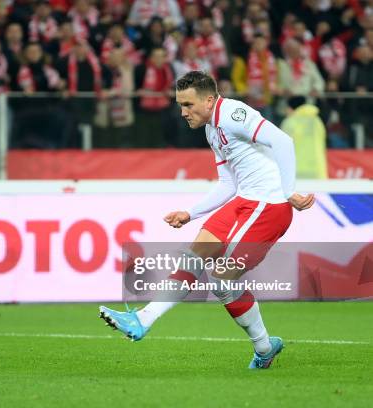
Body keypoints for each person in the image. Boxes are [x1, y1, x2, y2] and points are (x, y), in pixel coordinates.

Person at [99, 71, 315, 369]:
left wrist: (289, 191)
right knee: (194, 256)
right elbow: (227, 183)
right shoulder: (212, 129)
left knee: (221, 278)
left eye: (188, 105)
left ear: (209, 99)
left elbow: (283, 141)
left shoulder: (233, 115)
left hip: (268, 206)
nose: (183, 112)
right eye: (180, 105)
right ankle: (143, 320)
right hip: (244, 200)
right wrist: (191, 213)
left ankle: (264, 347)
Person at [280, 96, 328, 179]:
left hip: (296, 169)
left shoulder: (289, 122)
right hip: (318, 168)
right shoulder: (317, 121)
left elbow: (281, 146)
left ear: (291, 108)